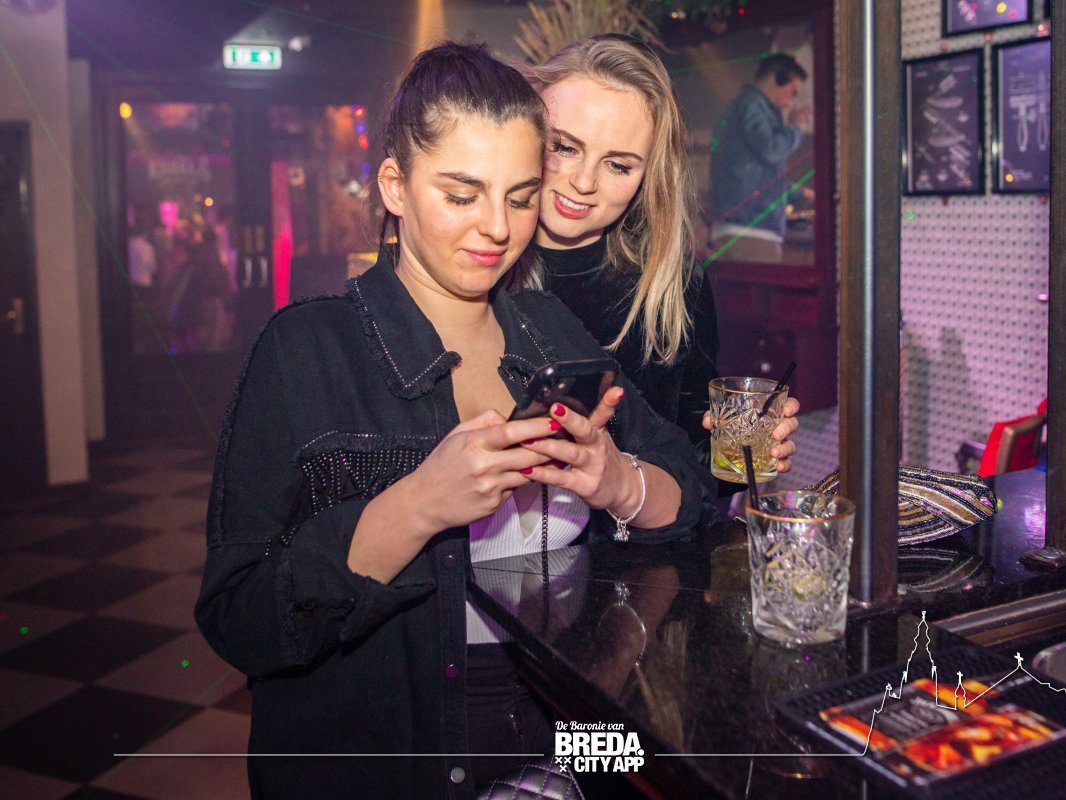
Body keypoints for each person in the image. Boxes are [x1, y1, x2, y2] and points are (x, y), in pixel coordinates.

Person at [195, 42, 712, 799]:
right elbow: (240, 619)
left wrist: (618, 482)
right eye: (462, 195)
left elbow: (688, 493)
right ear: (396, 187)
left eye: (521, 197)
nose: (496, 228)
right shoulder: (306, 349)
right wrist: (416, 506)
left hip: (563, 751)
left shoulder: (550, 331)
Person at [521, 35, 799, 487]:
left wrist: (742, 454)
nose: (584, 182)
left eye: (618, 165)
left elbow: (696, 467)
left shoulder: (673, 287)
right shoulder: (477, 271)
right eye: (564, 147)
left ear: (649, 176)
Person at [707, 52, 808, 264]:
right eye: (793, 90)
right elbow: (770, 150)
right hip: (749, 230)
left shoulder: (748, 107)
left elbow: (763, 180)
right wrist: (796, 128)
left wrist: (805, 194)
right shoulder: (751, 105)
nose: (793, 99)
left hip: (746, 229)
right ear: (777, 78)